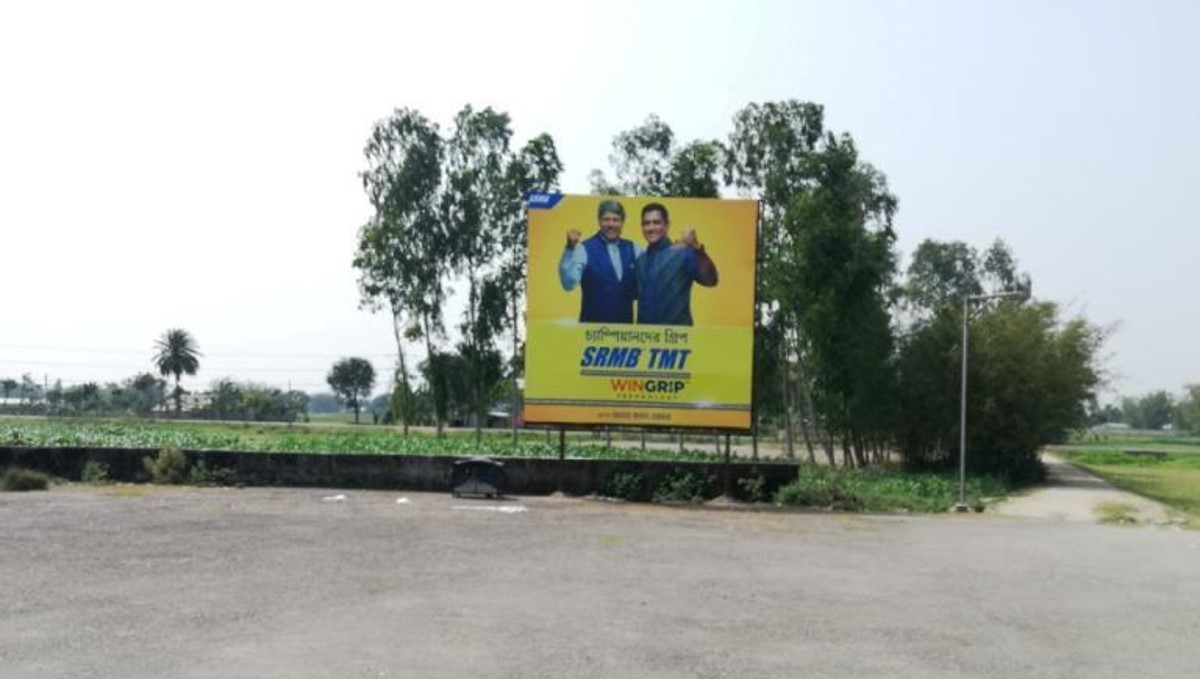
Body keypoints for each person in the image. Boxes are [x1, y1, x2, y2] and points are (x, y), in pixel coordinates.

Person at [558, 199, 643, 323]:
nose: (611, 224)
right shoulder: (584, 248)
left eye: (615, 220)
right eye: (606, 219)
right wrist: (570, 249)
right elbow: (568, 284)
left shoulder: (634, 248)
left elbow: (652, 280)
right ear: (599, 221)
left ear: (622, 222)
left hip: (624, 335)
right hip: (591, 335)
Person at [634, 202, 718, 326]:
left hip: (678, 339)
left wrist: (697, 249)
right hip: (646, 339)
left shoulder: (683, 253)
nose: (651, 228)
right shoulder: (640, 260)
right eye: (646, 223)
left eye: (656, 222)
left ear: (667, 225)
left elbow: (711, 280)